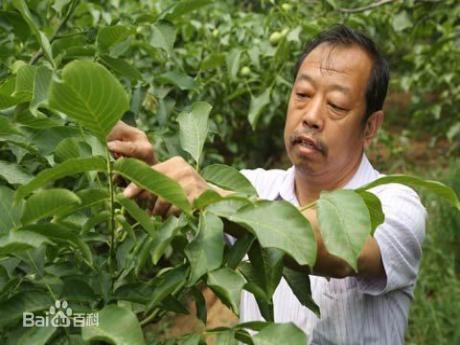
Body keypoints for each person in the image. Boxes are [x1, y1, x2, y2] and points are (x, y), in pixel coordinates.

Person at [107, 25, 426, 345]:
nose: (311, 116)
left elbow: (339, 248)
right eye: (302, 94)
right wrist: (148, 172)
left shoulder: (395, 204)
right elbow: (194, 200)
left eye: (337, 105)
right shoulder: (253, 188)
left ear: (370, 126)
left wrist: (213, 199)